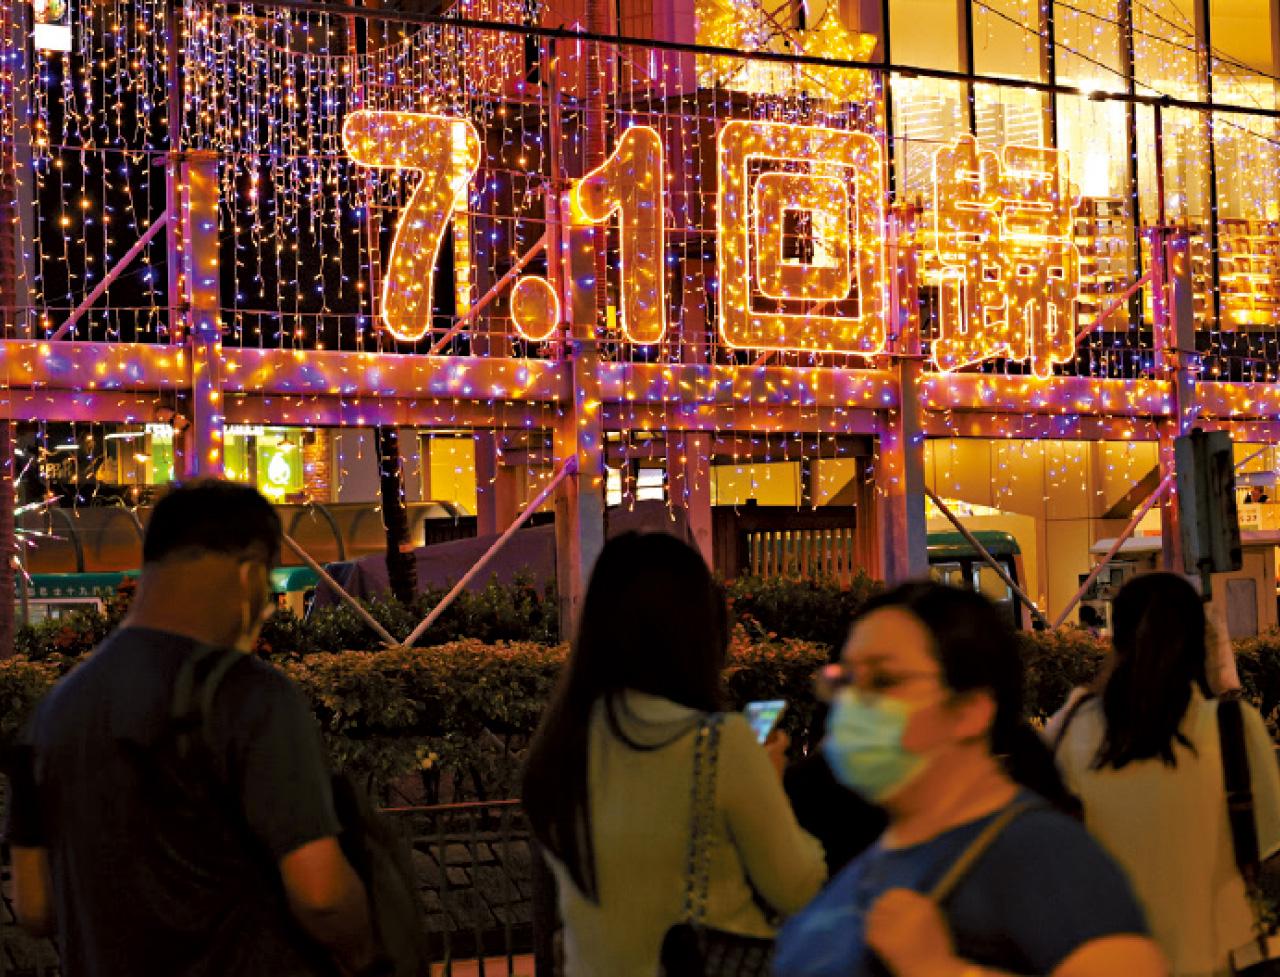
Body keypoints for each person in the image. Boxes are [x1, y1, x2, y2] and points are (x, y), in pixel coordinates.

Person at [3, 480, 380, 977]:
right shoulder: (248, 696)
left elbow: (34, 906)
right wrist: (367, 955)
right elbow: (322, 894)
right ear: (249, 573)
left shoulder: (52, 712)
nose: (266, 607)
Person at [774, 581, 1166, 977]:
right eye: (844, 680)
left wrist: (937, 969)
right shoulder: (883, 855)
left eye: (884, 680)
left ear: (971, 710)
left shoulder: (1043, 856)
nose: (852, 704)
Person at [521, 532, 826, 977]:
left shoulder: (561, 749)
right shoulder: (719, 744)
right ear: (697, 631)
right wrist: (771, 782)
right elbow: (798, 887)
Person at [1049, 572, 1280, 977]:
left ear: (1116, 638)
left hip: (1107, 962)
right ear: (1200, 641)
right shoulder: (1232, 727)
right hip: (1216, 959)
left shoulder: (1071, 730)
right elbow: (1268, 851)